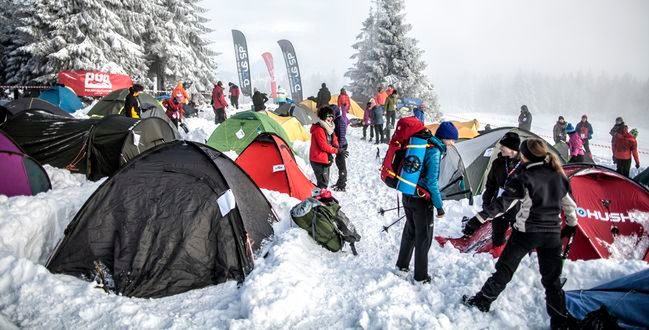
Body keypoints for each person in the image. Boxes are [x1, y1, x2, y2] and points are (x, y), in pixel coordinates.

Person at [462, 138, 578, 329]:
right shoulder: (559, 175)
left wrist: (478, 219)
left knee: (505, 269)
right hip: (552, 235)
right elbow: (569, 205)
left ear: (524, 155)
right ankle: (559, 321)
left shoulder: (523, 178)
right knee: (552, 281)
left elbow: (502, 205)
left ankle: (483, 301)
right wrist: (571, 225)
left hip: (527, 232)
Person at [395, 121, 457, 284]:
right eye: (452, 140)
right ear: (445, 138)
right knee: (424, 238)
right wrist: (439, 206)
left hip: (407, 193)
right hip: (421, 200)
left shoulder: (424, 144)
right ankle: (421, 276)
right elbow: (431, 183)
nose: (453, 143)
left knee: (410, 231)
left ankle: (401, 266)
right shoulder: (435, 152)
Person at [462, 132, 522, 256]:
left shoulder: (524, 166)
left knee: (518, 238)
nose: (500, 148)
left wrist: (482, 216)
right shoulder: (498, 163)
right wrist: (486, 203)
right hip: (497, 205)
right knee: (498, 234)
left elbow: (514, 195)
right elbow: (490, 185)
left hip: (516, 208)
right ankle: (497, 256)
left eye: (503, 146)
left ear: (512, 149)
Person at [310, 106, 345, 188]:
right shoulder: (319, 129)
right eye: (328, 116)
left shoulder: (329, 127)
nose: (330, 118)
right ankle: (319, 198)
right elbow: (323, 146)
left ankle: (322, 196)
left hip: (325, 158)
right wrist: (336, 151)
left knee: (325, 182)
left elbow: (334, 138)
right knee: (322, 183)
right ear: (323, 116)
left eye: (331, 116)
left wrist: (337, 147)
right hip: (318, 159)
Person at [332, 104, 349, 192]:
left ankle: (342, 184)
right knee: (339, 163)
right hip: (340, 145)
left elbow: (342, 135)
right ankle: (340, 182)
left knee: (341, 165)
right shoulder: (337, 120)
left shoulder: (339, 121)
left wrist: (340, 147)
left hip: (342, 145)